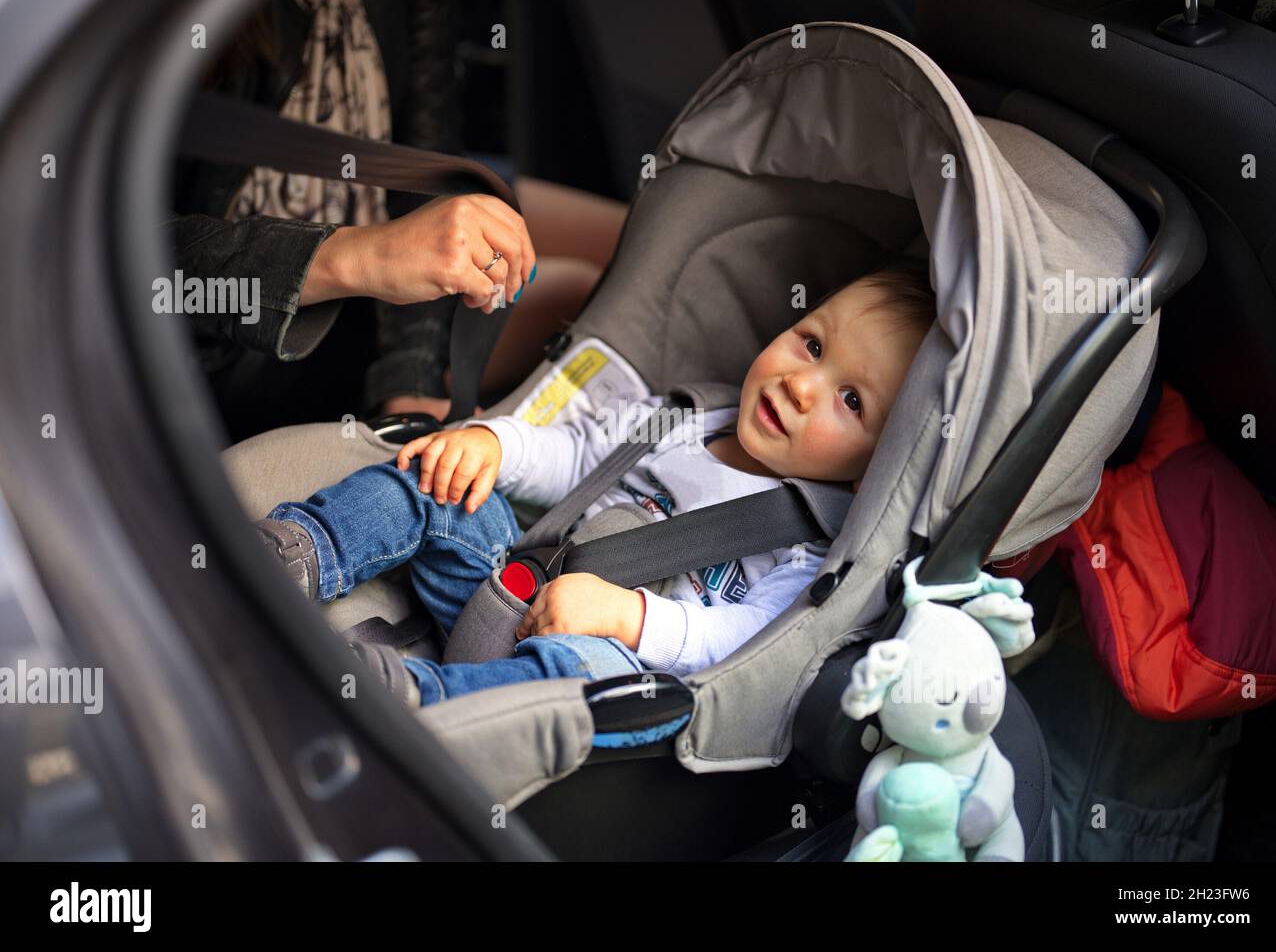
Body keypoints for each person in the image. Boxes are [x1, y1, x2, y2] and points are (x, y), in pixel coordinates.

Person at [255, 265, 936, 707]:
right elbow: (579, 453)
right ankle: (299, 551)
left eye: (850, 400)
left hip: (606, 659)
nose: (800, 383)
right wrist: (495, 442)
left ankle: (416, 697)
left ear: (879, 461)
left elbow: (746, 644)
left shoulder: (811, 545)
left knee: (588, 684)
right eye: (811, 344)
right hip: (513, 578)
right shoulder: (689, 415)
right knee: (433, 481)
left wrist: (624, 617)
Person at [171, 0, 627, 440]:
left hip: (379, 239)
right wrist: (355, 255)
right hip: (252, 322)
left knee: (628, 243)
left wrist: (407, 382)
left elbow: (428, 160)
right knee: (580, 292)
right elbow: (134, 258)